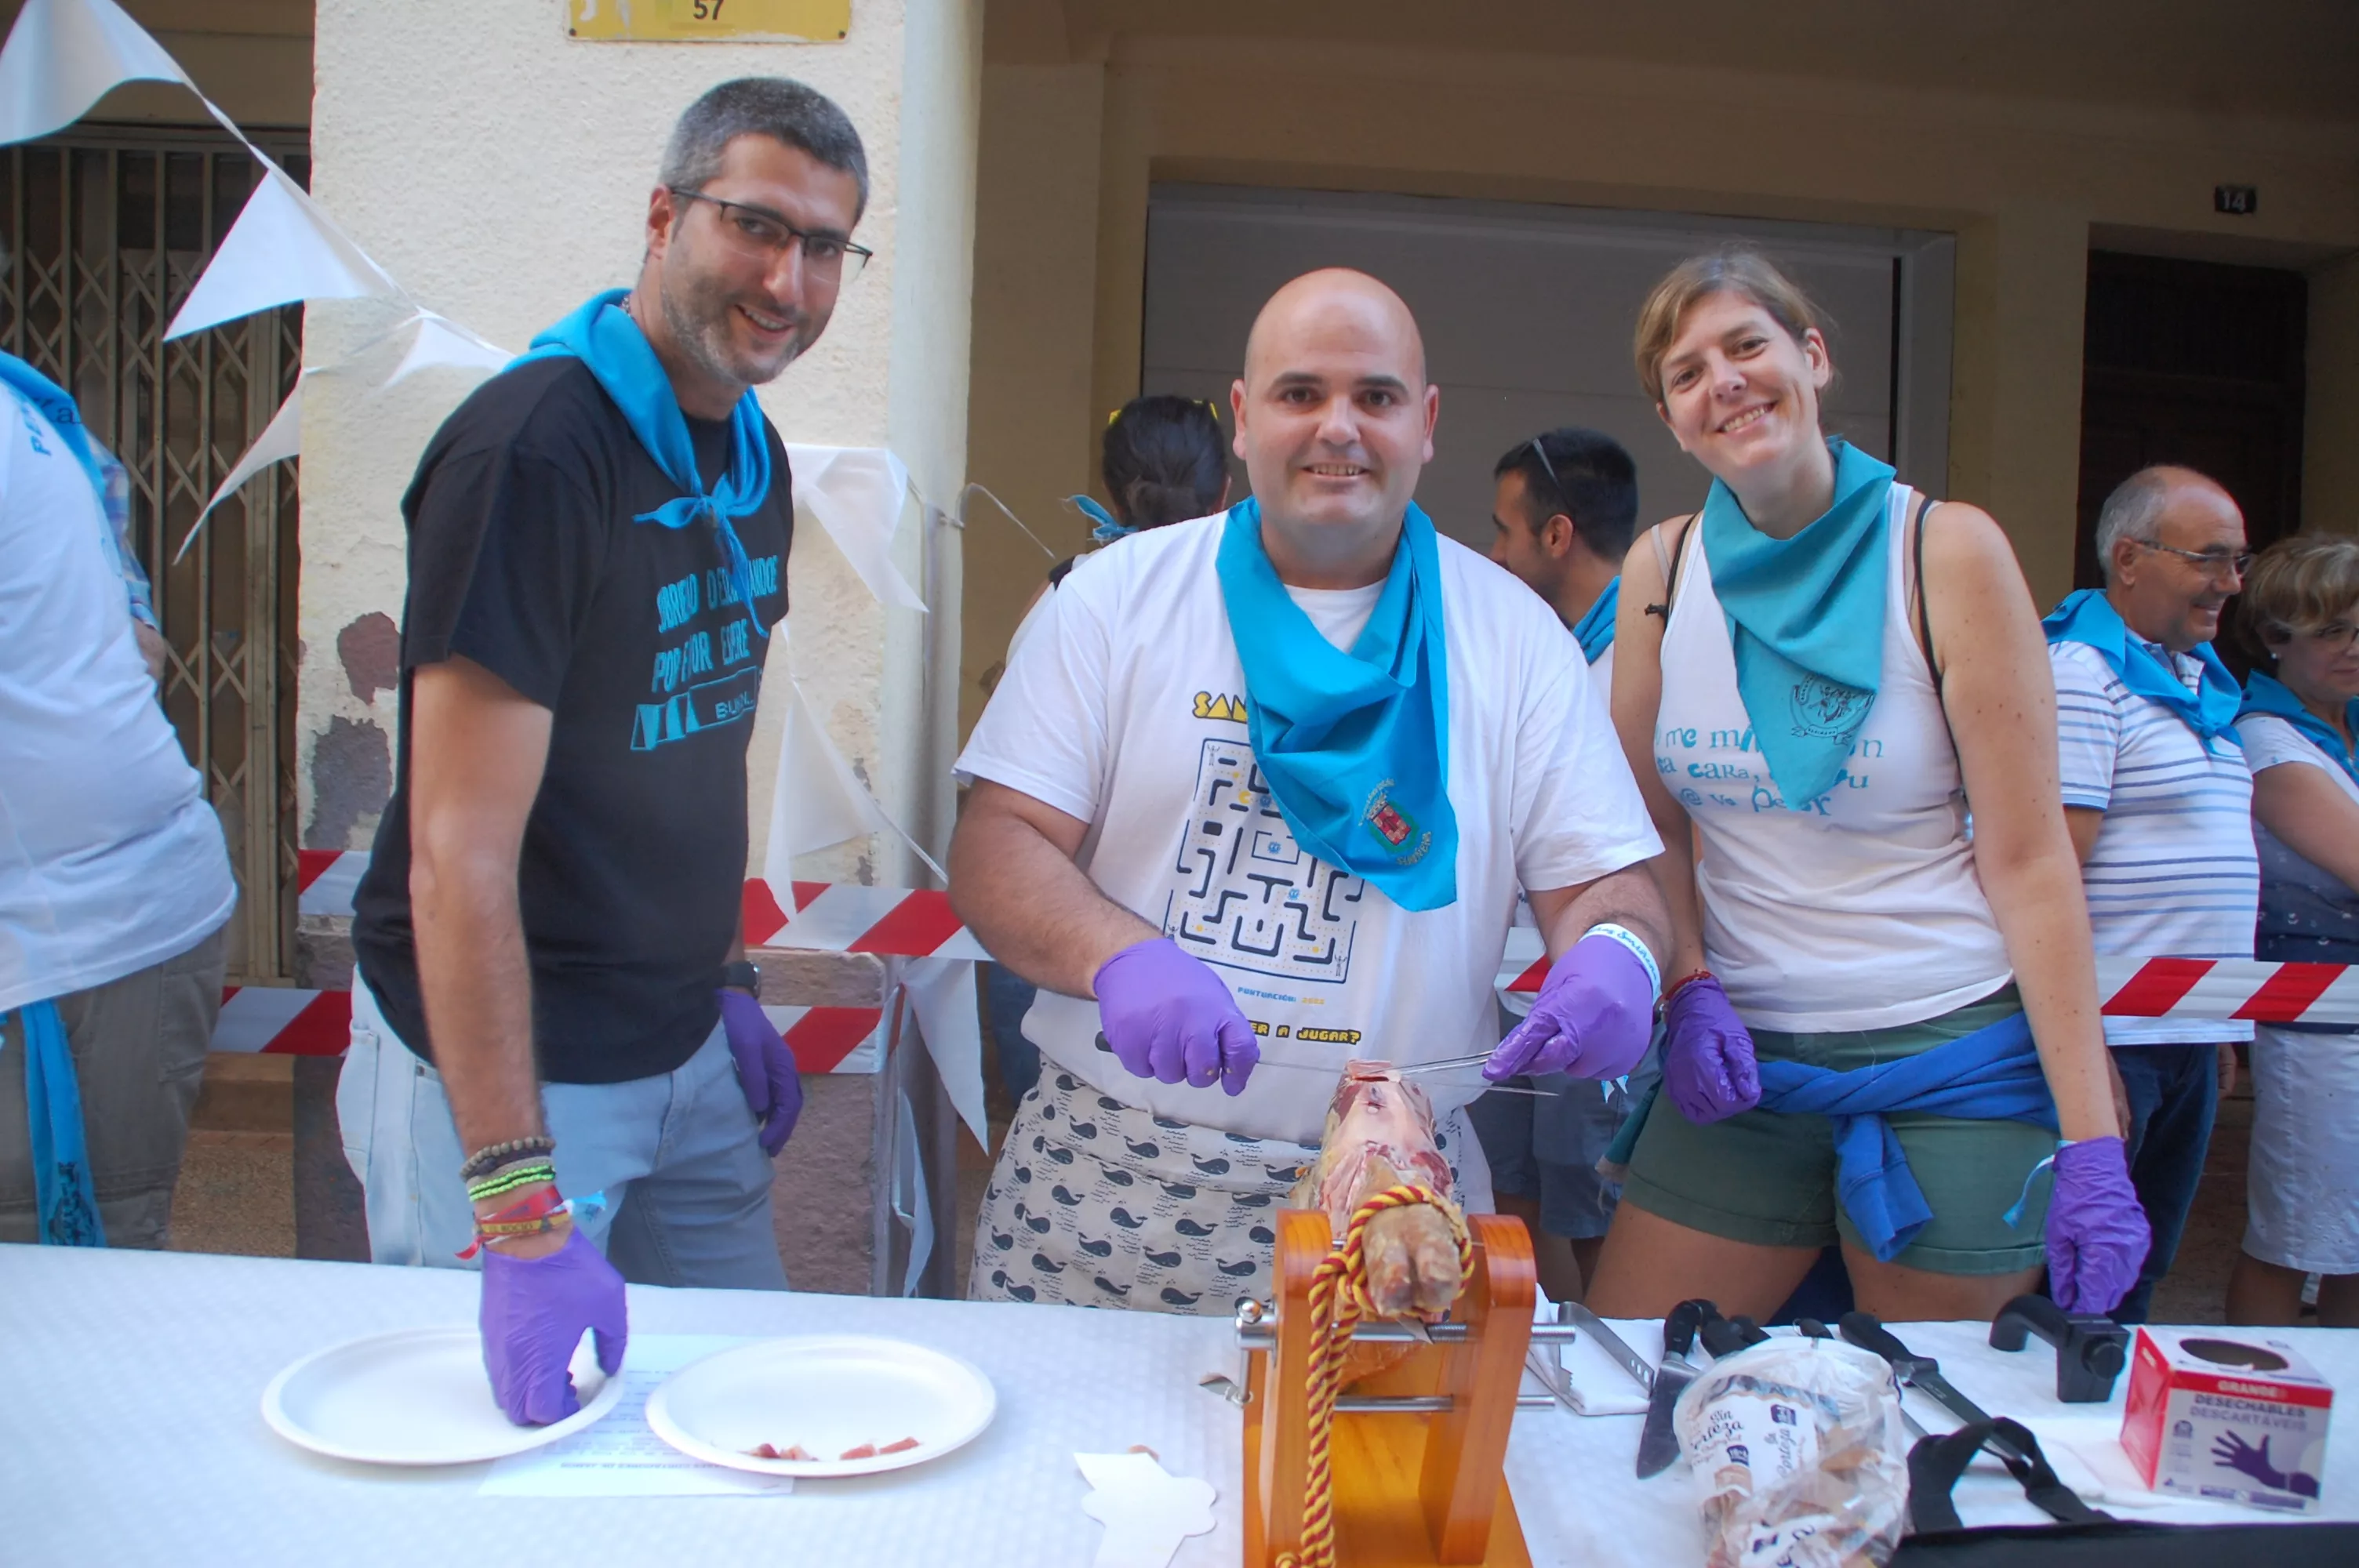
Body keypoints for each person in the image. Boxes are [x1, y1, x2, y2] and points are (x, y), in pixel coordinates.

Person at [950, 267, 1668, 1315]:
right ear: (1243, 419)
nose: (1339, 427)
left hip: (1399, 1206)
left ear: (1425, 424)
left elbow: (1610, 880)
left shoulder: (1517, 637)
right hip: (1106, 1189)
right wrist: (1116, 952)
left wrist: (1619, 953)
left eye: (1375, 396)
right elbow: (999, 838)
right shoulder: (1112, 599)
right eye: (1301, 394)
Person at [340, 78, 871, 1424]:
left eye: (823, 247)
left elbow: (697, 747)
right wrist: (518, 1208)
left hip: (684, 1047)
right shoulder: (534, 453)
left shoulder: (749, 458)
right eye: (756, 226)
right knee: (504, 1458)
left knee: (755, 1411)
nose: (787, 282)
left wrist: (730, 976)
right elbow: (455, 856)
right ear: (662, 216)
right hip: (521, 1080)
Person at [1587, 248, 2146, 1323]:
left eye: (1746, 346)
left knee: (1928, 1408)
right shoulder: (1661, 566)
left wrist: (2091, 1140)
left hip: (1951, 1060)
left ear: (1813, 356)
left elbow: (2030, 860)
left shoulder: (1945, 550)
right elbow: (1647, 815)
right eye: (1687, 373)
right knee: (1636, 1375)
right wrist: (1686, 983)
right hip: (1741, 1065)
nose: (1724, 382)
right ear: (1671, 420)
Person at [1, 350, 236, 1250]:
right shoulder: (37, 411)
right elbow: (141, 644)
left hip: (78, 943)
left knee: (60, 1291)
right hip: (114, 902)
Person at [2045, 466, 2257, 1323]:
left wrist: (2215, 1021)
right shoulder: (2079, 674)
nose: (2229, 583)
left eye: (2238, 561)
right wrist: (2084, 1049)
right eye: (2209, 558)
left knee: (2140, 1272)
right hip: (2110, 1035)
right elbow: (2047, 873)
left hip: (2183, 1031)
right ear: (2128, 558)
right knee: (2077, 1278)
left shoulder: (2200, 679)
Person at [987, 396, 1233, 1109]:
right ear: (1226, 490)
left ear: (1108, 489)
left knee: (1059, 1128)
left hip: (1062, 934)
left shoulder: (1069, 593)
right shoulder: (1266, 610)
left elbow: (1012, 759)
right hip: (1219, 947)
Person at [1474, 426, 1645, 1300]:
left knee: (1592, 1216)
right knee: (1512, 1200)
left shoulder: (1642, 666)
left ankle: (1602, 1359)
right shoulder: (1540, 651)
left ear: (1556, 534)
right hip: (1507, 991)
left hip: (1593, 1002)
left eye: (1503, 530)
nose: (1492, 554)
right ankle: (1530, 1354)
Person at [2223, 535, 2359, 1328]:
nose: (2353, 647)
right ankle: (2251, 1389)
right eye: (2332, 629)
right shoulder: (2267, 740)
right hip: (2317, 1030)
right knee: (2294, 1237)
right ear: (2276, 634)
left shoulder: (2346, 725)